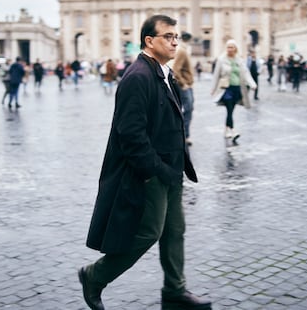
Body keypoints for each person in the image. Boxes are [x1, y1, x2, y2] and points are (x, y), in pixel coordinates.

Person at [78, 15, 212, 310]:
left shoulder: (165, 72)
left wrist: (176, 167)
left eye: (176, 36)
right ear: (149, 41)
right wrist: (156, 172)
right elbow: (131, 135)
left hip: (172, 169)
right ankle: (95, 276)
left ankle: (175, 290)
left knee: (174, 231)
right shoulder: (138, 77)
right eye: (168, 36)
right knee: (149, 232)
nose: (175, 41)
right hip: (152, 172)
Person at [211, 39, 256, 143]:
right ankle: (233, 130)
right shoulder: (221, 59)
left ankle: (226, 129)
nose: (229, 49)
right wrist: (213, 89)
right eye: (228, 47)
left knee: (230, 111)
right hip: (226, 89)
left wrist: (252, 84)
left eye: (231, 47)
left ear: (235, 48)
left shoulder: (239, 60)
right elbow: (216, 75)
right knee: (230, 109)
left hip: (237, 88)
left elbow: (245, 73)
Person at [172, 32, 194, 145]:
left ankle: (183, 134)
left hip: (188, 85)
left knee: (187, 109)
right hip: (185, 86)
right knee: (187, 109)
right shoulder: (182, 51)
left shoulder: (183, 50)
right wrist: (183, 84)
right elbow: (176, 69)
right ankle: (184, 135)